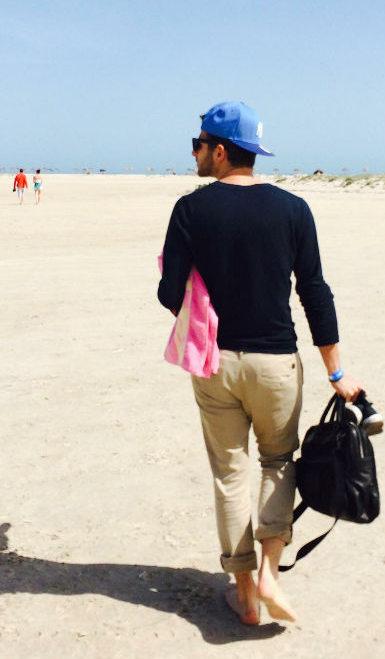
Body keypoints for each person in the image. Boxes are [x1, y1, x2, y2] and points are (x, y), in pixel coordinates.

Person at [157, 101, 366, 627]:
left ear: (220, 151)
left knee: (230, 474)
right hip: (276, 364)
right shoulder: (293, 210)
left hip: (216, 363)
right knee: (278, 462)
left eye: (198, 145)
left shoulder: (190, 210)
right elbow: (314, 292)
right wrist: (337, 373)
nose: (194, 153)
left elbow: (168, 295)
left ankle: (246, 593)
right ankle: (271, 572)